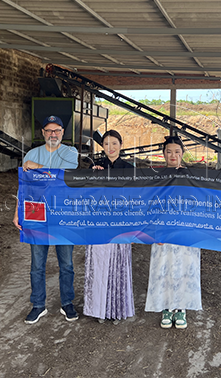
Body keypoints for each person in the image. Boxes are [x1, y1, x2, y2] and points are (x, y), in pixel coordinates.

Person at [13, 115, 80, 324]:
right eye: (49, 131)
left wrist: (37, 166)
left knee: (66, 263)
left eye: (57, 130)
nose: (53, 134)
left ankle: (67, 302)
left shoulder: (71, 152)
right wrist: (17, 212)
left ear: (62, 133)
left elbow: (63, 175)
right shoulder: (31, 153)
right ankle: (38, 305)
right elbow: (25, 186)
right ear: (43, 133)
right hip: (36, 212)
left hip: (63, 212)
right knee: (37, 264)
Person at [145, 136, 202, 329]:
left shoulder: (192, 177)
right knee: (165, 267)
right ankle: (167, 306)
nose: (173, 155)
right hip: (162, 231)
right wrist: (154, 231)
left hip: (185, 230)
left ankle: (182, 307)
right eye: (169, 152)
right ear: (163, 154)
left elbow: (200, 204)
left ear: (182, 154)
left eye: (177, 152)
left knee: (185, 267)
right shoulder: (156, 176)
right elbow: (150, 205)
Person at [84, 130, 135, 323]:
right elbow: (87, 193)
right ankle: (98, 309)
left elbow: (136, 197)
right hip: (98, 223)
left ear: (121, 145)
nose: (110, 148)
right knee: (99, 264)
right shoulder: (95, 167)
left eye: (114, 143)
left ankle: (116, 309)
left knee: (117, 265)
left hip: (120, 224)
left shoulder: (129, 169)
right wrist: (93, 177)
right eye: (106, 144)